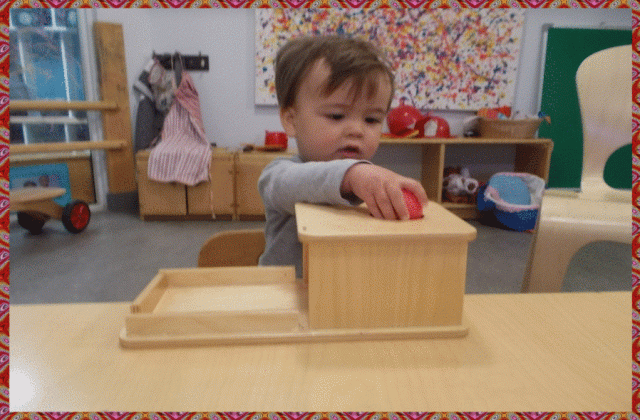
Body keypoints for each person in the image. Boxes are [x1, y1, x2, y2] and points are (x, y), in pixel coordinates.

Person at [258, 35, 428, 278]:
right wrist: (353, 175)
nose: (357, 130)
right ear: (291, 120)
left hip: (347, 293)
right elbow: (298, 182)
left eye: (371, 119)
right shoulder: (279, 173)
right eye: (337, 116)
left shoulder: (369, 180)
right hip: (285, 295)